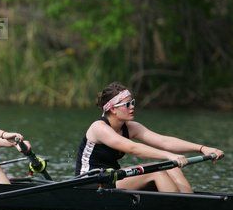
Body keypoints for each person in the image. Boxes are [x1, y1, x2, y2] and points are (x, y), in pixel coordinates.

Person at [75, 82, 224, 192]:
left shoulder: (131, 127)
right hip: (89, 182)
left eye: (132, 103)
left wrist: (202, 148)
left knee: (172, 167)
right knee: (158, 170)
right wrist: (170, 156)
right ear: (113, 109)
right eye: (127, 104)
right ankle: (179, 209)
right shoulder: (99, 128)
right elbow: (133, 148)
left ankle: (192, 204)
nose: (132, 107)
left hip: (112, 178)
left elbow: (164, 141)